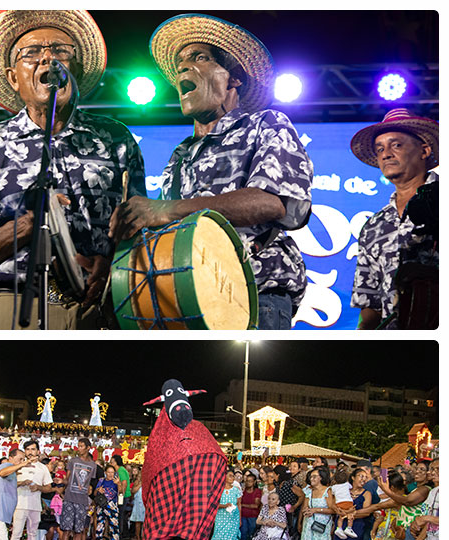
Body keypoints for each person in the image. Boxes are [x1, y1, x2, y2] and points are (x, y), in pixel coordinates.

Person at [0, 10, 146, 330]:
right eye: (33, 52)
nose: (48, 59)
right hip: (15, 303)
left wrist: (113, 265)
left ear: (75, 69)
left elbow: (140, 230)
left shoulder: (117, 140)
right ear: (14, 77)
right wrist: (28, 226)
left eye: (61, 51)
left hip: (103, 307)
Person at [111, 14, 312, 329]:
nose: (183, 67)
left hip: (257, 296)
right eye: (180, 62)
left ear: (234, 79)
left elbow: (272, 203)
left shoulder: (265, 124)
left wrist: (163, 210)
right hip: (193, 301)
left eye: (199, 57)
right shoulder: (179, 156)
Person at [139, 380, 227, 540]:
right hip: (165, 518)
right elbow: (151, 470)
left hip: (190, 521)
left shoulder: (199, 430)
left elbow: (216, 457)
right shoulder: (160, 436)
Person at [349, 109, 438, 329]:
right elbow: (370, 303)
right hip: (395, 348)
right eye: (380, 149)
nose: (386, 154)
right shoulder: (373, 226)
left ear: (424, 150)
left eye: (396, 145)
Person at [8, 439, 52, 540]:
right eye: (27, 449)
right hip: (20, 504)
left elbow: (49, 487)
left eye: (33, 449)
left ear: (38, 451)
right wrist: (22, 483)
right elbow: (8, 484)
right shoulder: (18, 465)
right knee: (16, 533)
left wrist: (38, 487)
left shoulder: (42, 468)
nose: (30, 452)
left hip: (35, 506)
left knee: (33, 533)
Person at [58, 439, 98, 540]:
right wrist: (61, 482)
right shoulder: (73, 461)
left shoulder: (93, 465)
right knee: (66, 530)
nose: (78, 448)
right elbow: (68, 479)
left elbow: (89, 483)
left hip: (82, 501)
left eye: (81, 446)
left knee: (79, 530)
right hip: (69, 498)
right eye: (78, 446)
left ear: (88, 448)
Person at [207, 470, 241, 540]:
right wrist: (224, 505)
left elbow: (239, 504)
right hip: (221, 517)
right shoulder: (218, 490)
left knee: (232, 539)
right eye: (230, 476)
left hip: (233, 517)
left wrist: (239, 519)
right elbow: (213, 504)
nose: (232, 478)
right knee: (218, 539)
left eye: (233, 476)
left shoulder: (236, 490)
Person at [93, 464, 120, 540]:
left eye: (112, 472)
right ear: (105, 473)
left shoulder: (116, 482)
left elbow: (122, 492)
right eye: (108, 472)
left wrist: (118, 484)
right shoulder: (101, 481)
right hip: (101, 505)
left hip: (112, 506)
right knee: (100, 526)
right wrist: (98, 490)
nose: (110, 474)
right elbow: (95, 492)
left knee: (114, 527)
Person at [237, 471, 262, 540]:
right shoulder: (243, 491)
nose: (248, 483)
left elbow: (256, 505)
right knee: (243, 534)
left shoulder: (257, 491)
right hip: (243, 515)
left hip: (253, 516)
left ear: (254, 482)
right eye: (247, 481)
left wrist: (242, 505)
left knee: (252, 534)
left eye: (250, 481)